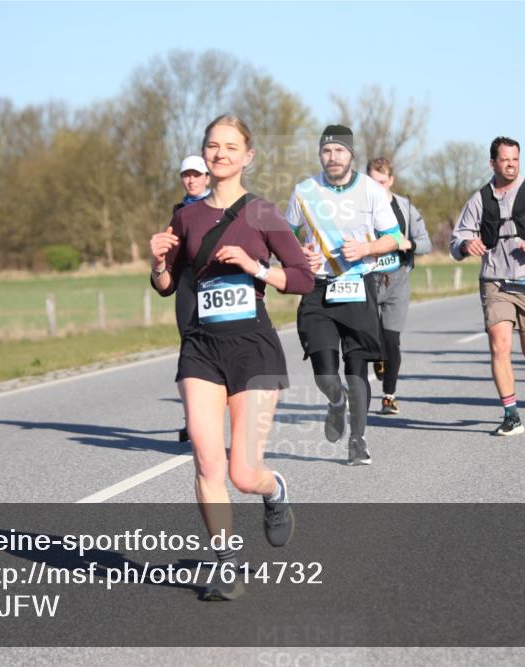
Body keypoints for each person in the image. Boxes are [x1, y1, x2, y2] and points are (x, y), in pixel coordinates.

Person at [149, 115, 314, 600]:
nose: (219, 154)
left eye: (230, 147)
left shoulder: (262, 213)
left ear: (248, 155)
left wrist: (255, 268)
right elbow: (165, 286)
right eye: (212, 146)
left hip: (253, 348)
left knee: (243, 473)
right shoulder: (186, 216)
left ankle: (275, 490)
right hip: (201, 345)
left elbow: (302, 278)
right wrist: (157, 262)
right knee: (206, 461)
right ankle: (225, 563)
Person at [286, 125, 401, 465]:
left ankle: (358, 440)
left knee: (357, 369)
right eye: (326, 151)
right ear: (320, 155)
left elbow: (393, 237)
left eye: (339, 151)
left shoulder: (370, 191)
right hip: (319, 289)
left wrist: (366, 247)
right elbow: (285, 235)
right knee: (324, 372)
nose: (332, 157)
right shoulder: (305, 191)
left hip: (358, 284)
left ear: (351, 155)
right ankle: (336, 402)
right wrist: (300, 252)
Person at [450, 136, 525, 436]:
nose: (511, 164)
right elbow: (457, 240)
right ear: (493, 163)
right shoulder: (479, 199)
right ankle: (510, 414)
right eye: (505, 159)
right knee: (499, 345)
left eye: (515, 159)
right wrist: (466, 245)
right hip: (496, 282)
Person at [366, 156, 432, 415]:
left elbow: (426, 243)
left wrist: (409, 244)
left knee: (392, 340)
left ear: (391, 181)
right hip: (368, 280)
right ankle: (377, 356)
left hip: (397, 280)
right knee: (371, 339)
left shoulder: (405, 208)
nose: (377, 187)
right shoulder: (357, 209)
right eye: (372, 182)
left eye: (382, 182)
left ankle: (389, 397)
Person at [173, 155, 211, 443]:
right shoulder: (179, 211)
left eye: (196, 175)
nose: (191, 180)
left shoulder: (221, 206)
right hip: (187, 282)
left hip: (216, 280)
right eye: (187, 175)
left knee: (217, 343)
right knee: (188, 346)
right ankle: (192, 416)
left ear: (207, 177)